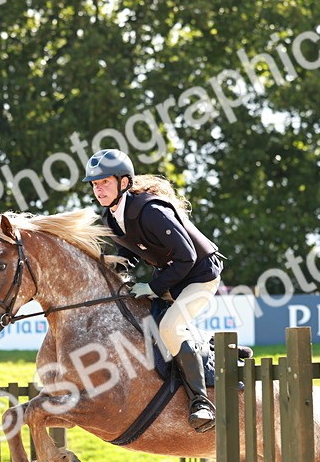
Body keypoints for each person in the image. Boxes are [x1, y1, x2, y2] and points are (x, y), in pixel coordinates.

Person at [83, 148, 223, 433]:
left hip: (199, 275)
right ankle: (198, 354)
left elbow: (187, 256)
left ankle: (201, 402)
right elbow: (129, 250)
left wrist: (155, 286)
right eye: (95, 184)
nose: (99, 189)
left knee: (171, 328)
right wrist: (118, 271)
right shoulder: (111, 216)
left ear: (124, 182)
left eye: (105, 182)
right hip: (173, 276)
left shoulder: (151, 211)